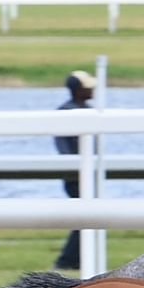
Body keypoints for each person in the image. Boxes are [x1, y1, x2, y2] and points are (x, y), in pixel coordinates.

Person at [52, 69, 96, 270]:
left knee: (86, 218)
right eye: (88, 88)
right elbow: (64, 148)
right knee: (83, 218)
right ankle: (67, 260)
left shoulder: (87, 109)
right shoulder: (67, 112)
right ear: (78, 90)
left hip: (86, 171)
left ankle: (76, 259)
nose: (92, 90)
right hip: (75, 174)